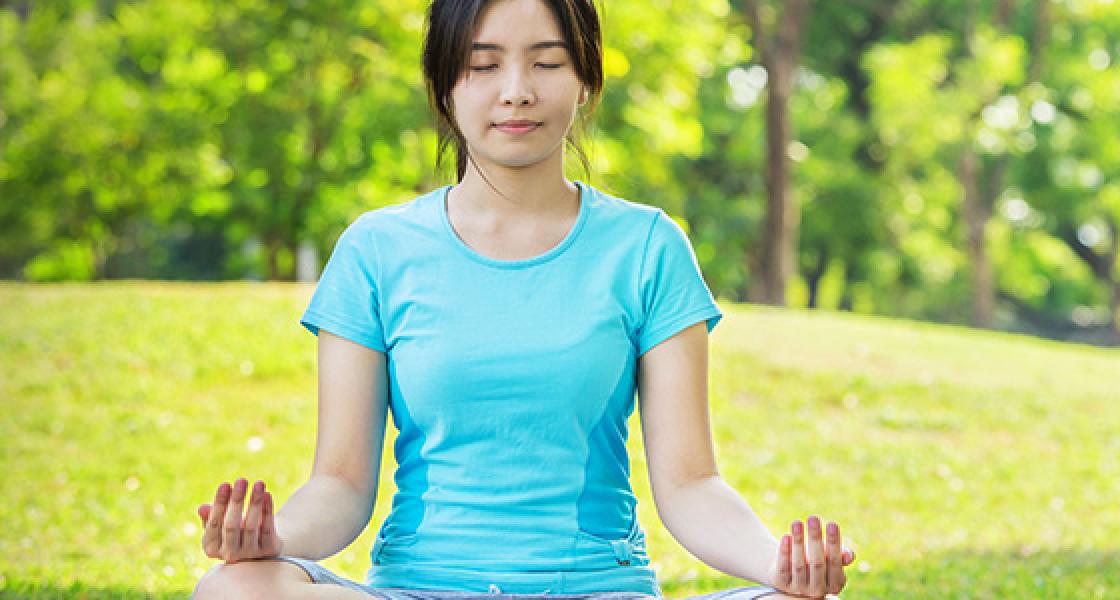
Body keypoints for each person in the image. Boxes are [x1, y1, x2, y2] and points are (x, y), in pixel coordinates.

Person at [191, 0, 854, 598]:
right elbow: (339, 485)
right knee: (232, 591)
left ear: (585, 78)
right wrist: (272, 542)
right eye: (482, 66)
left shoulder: (647, 247)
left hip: (597, 590)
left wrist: (777, 565)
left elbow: (689, 486)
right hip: (420, 592)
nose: (516, 93)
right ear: (445, 86)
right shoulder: (376, 251)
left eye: (547, 62)